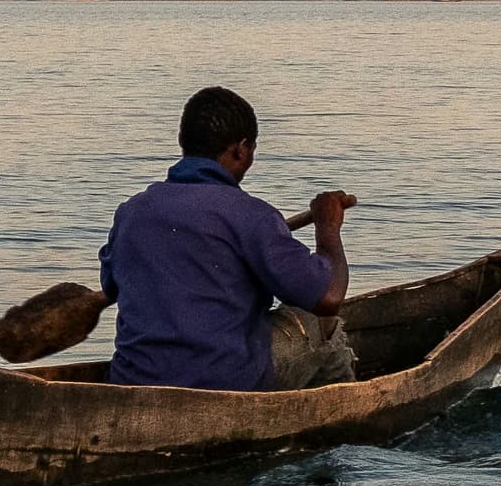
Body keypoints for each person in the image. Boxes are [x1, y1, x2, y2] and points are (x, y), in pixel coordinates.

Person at [98, 86, 358, 391]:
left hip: (134, 381)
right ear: (241, 149)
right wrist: (328, 227)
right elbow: (328, 297)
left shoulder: (131, 213)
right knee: (321, 321)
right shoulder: (253, 216)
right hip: (228, 383)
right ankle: (345, 408)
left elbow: (111, 286)